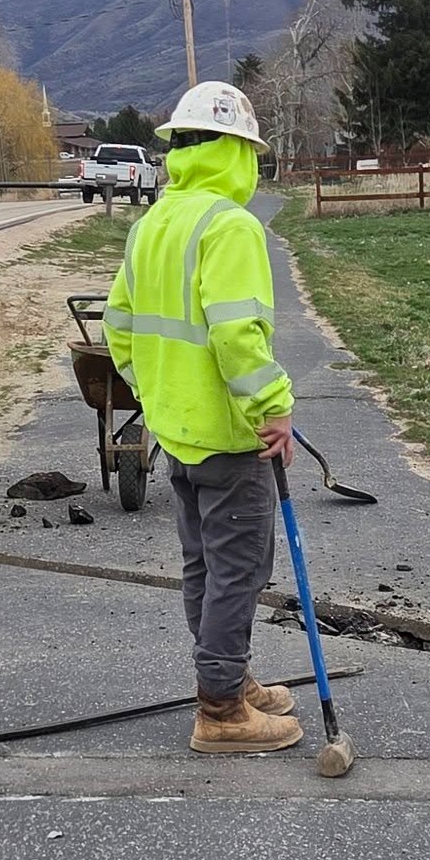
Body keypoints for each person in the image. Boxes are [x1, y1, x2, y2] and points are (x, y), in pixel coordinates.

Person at [105, 81, 302, 752]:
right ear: (235, 153)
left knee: (205, 567)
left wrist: (156, 394)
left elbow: (119, 327)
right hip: (229, 436)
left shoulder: (152, 222)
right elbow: (237, 335)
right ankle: (220, 710)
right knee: (239, 569)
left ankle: (229, 675)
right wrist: (273, 407)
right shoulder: (230, 225)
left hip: (179, 436)